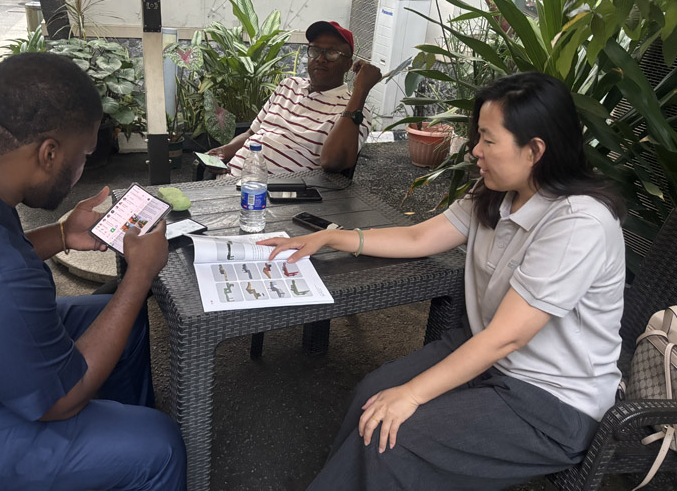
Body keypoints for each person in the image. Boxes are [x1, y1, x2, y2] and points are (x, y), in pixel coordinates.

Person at [260, 72, 627, 490]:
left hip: (551, 400)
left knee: (393, 439)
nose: (475, 151)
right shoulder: (497, 192)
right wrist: (331, 237)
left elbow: (506, 338)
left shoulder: (579, 222)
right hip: (489, 359)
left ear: (535, 150)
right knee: (372, 396)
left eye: (488, 140)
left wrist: (413, 394)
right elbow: (419, 237)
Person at [0, 53, 186, 491]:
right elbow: (59, 402)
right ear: (48, 153)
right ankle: (124, 457)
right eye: (83, 155)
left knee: (120, 320)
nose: (82, 168)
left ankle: (106, 451)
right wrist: (140, 274)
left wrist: (61, 235)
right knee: (157, 446)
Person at [209, 20, 382, 177]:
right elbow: (251, 133)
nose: (320, 59)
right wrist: (223, 152)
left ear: (348, 64)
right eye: (315, 51)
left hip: (275, 193)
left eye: (331, 53)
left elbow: (333, 162)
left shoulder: (354, 110)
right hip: (228, 180)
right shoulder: (288, 85)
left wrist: (361, 90)